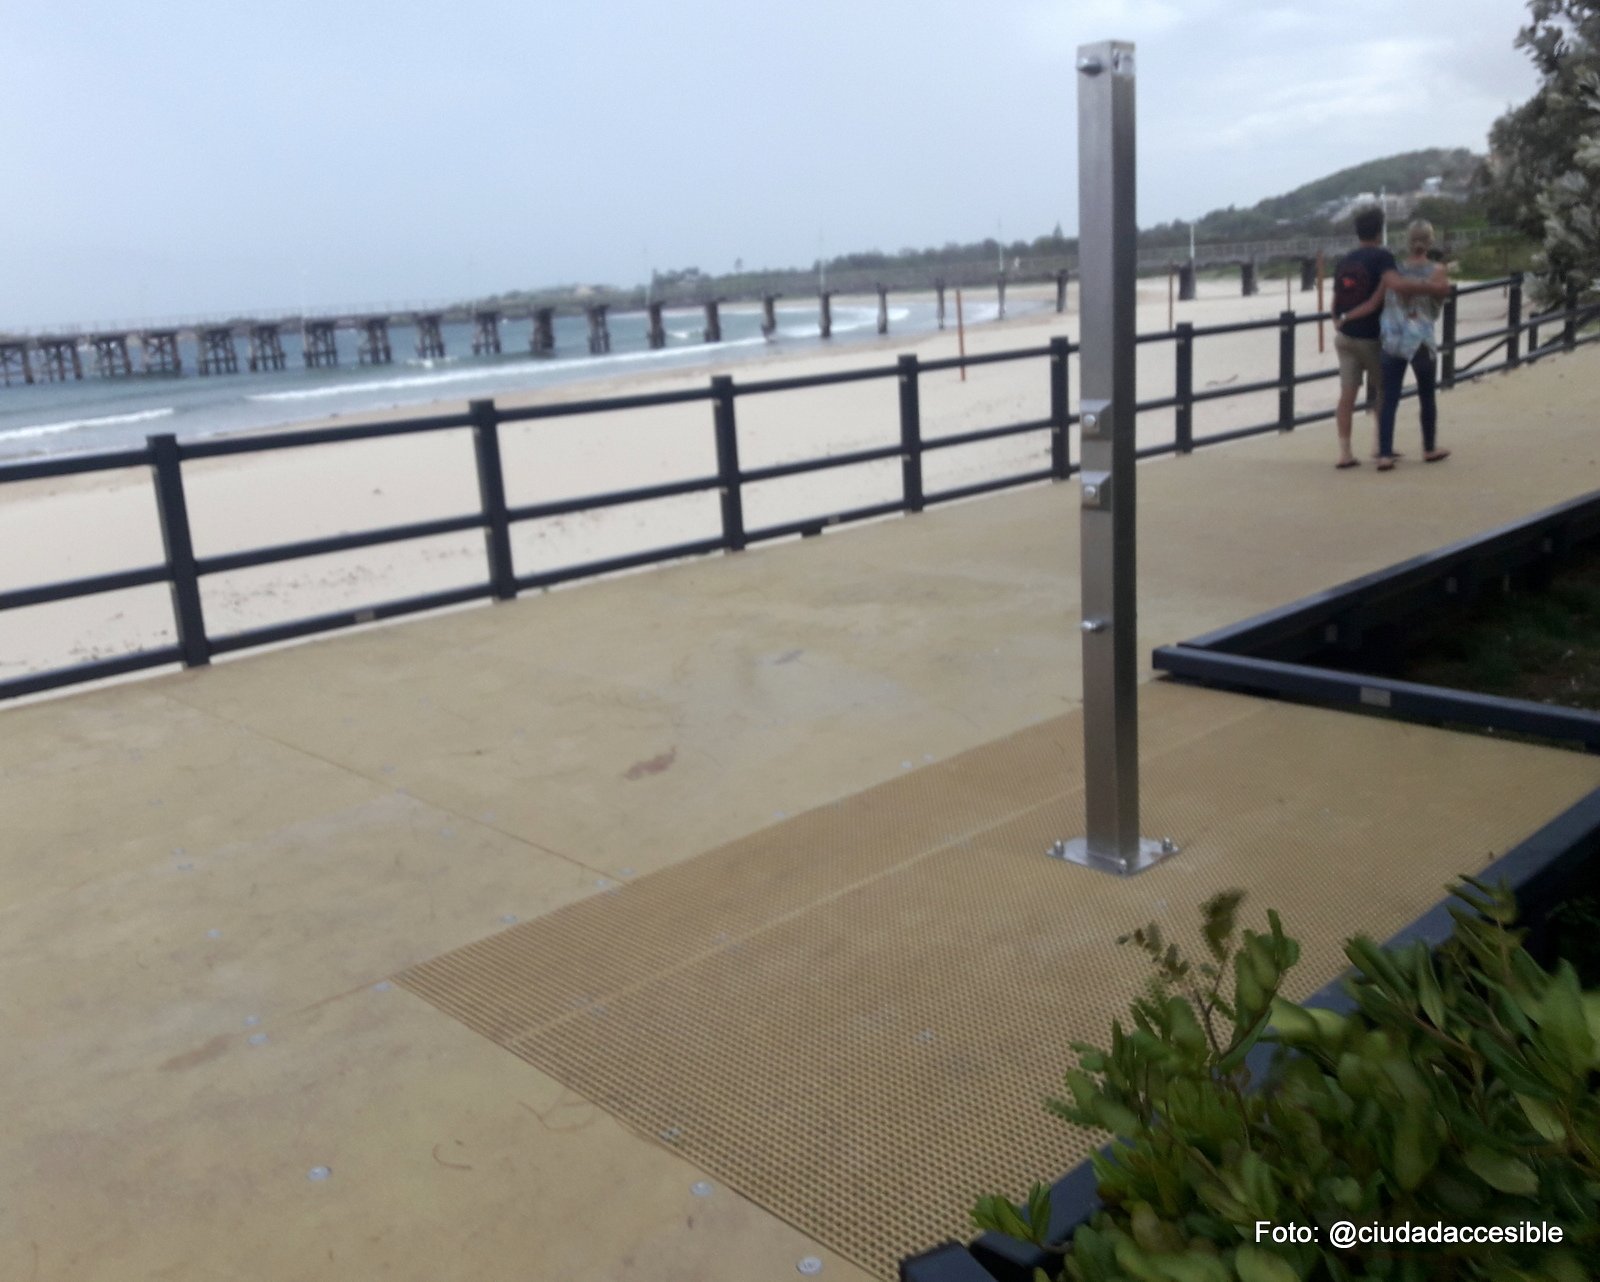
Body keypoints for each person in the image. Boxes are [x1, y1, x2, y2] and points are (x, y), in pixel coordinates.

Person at [1329, 207, 1447, 469]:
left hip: (1360, 337)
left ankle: (1352, 453)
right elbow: (1399, 288)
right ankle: (1404, 448)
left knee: (1350, 396)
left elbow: (1345, 299)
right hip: (1392, 338)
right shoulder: (1387, 260)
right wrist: (1437, 288)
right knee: (1402, 393)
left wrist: (1341, 319)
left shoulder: (1346, 260)